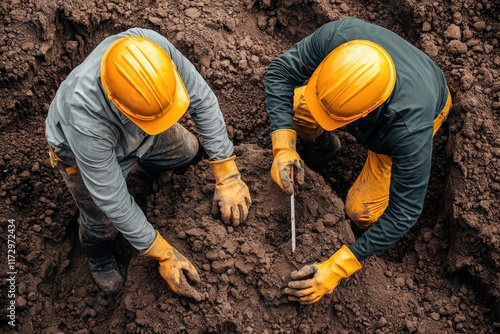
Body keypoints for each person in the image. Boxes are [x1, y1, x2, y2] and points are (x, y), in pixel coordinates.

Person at [45, 28, 252, 300]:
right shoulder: (83, 118)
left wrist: (227, 174)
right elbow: (113, 199)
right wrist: (163, 253)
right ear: (121, 108)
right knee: (102, 220)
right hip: (80, 154)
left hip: (146, 127)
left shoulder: (150, 47)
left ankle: (143, 174)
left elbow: (202, 99)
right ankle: (97, 252)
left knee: (188, 149)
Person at [265, 17, 452, 304]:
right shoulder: (339, 35)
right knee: (298, 109)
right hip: (375, 84)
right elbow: (279, 72)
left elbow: (406, 211)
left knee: (360, 211)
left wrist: (338, 267)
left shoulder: (409, 131)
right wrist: (283, 147)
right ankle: (322, 151)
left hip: (419, 106)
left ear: (367, 113)